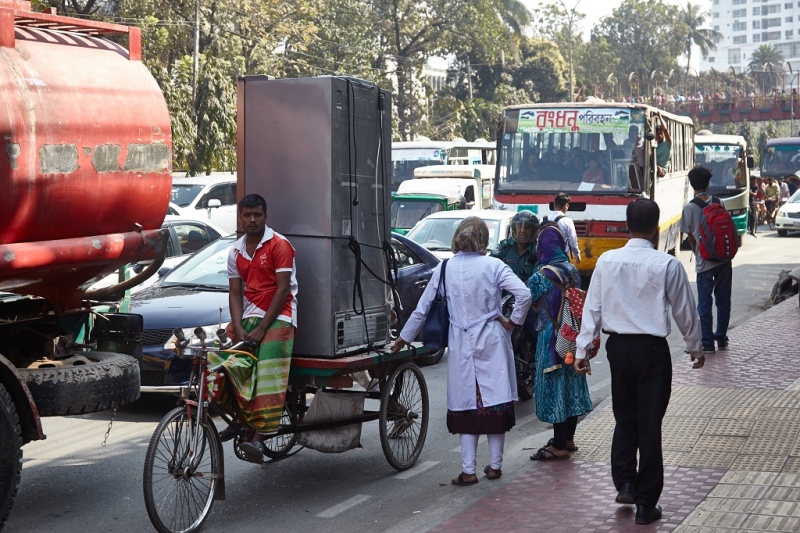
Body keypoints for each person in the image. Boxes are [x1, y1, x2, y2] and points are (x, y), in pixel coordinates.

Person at [574, 198, 701, 526]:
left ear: (628, 226)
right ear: (656, 228)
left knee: (625, 416)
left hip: (619, 349)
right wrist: (695, 348)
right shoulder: (667, 264)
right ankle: (646, 503)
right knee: (649, 423)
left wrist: (582, 349)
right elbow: (684, 311)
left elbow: (593, 308)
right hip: (652, 352)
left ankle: (626, 483)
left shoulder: (607, 261)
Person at [392, 217, 532, 486]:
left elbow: (422, 309)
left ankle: (468, 472)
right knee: (493, 404)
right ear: (482, 238)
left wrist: (403, 338)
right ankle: (495, 467)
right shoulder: (494, 265)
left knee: (466, 408)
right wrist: (512, 322)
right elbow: (524, 294)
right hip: (491, 338)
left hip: (461, 342)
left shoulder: (445, 268)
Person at [210, 193, 298, 463]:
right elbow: (235, 293)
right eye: (247, 215)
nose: (252, 219)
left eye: (257, 215)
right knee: (218, 360)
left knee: (266, 372)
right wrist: (236, 326)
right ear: (240, 217)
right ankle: (239, 419)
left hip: (279, 317)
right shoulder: (235, 251)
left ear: (265, 216)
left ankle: (259, 438)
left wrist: (261, 328)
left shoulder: (280, 245)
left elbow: (283, 290)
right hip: (247, 316)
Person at [527, 225, 593, 460]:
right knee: (571, 386)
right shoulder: (573, 270)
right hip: (573, 337)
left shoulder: (540, 276)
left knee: (556, 389)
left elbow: (526, 300)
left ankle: (558, 446)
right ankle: (569, 439)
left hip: (551, 338)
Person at [681, 166, 732, 355]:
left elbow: (690, 237)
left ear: (691, 184)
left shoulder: (689, 208)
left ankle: (707, 342)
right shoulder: (720, 203)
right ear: (708, 182)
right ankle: (722, 338)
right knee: (723, 300)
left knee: (704, 303)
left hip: (704, 263)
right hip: (724, 260)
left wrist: (698, 252)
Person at [546, 192, 581, 264]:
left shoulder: (543, 219)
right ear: (566, 206)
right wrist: (577, 256)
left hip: (545, 258)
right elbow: (573, 243)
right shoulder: (567, 221)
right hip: (561, 259)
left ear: (554, 204)